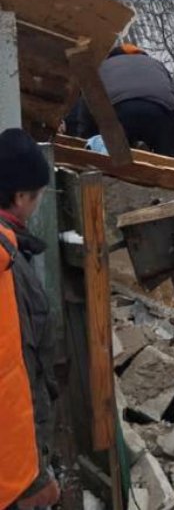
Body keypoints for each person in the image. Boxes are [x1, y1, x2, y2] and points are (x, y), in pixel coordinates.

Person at [0, 129, 60, 510]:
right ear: (20, 197)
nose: (38, 205)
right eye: (38, 196)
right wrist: (32, 478)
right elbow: (20, 370)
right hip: (12, 469)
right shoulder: (7, 266)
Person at [75, 43, 174, 157]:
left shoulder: (102, 67)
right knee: (168, 159)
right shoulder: (156, 64)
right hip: (162, 112)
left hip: (118, 112)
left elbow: (88, 103)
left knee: (114, 159)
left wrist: (86, 140)